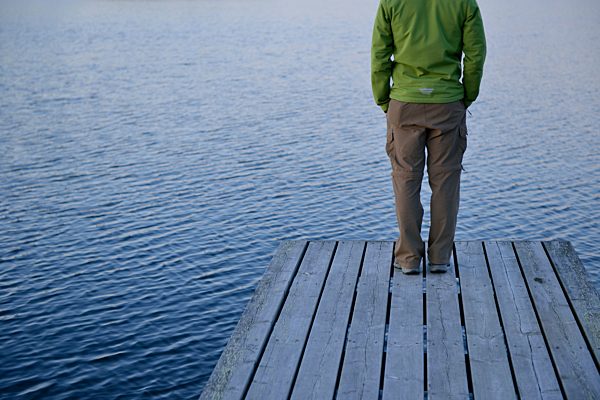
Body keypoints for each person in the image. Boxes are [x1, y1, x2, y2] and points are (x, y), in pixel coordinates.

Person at [371, 0, 486, 274]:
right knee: (446, 182)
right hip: (447, 103)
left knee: (406, 180)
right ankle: (439, 258)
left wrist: (384, 100)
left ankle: (409, 258)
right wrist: (466, 96)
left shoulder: (391, 2)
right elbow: (475, 55)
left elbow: (379, 55)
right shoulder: (465, 3)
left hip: (404, 103)